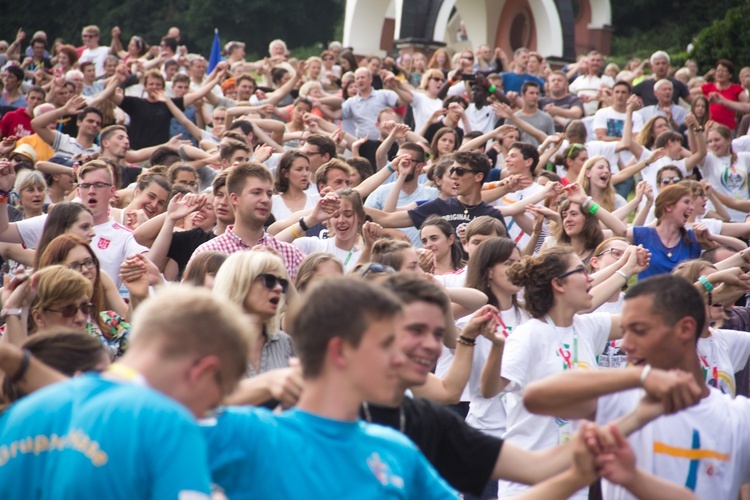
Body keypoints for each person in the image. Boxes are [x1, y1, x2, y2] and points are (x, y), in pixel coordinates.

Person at [200, 277, 459, 498]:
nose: (400, 359)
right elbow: (168, 416)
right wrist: (265, 383)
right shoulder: (253, 434)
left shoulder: (397, 450)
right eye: (385, 345)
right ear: (340, 351)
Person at [0, 286, 251, 498]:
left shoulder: (21, 415)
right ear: (204, 371)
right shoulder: (167, 423)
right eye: (214, 401)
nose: (204, 414)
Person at [521, 274, 750, 500]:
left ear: (685, 329)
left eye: (639, 331)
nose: (625, 345)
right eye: (625, 331)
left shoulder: (740, 417)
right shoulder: (621, 399)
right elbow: (536, 396)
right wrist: (639, 376)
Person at [484, 246, 642, 498]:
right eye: (581, 270)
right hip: (529, 483)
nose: (590, 276)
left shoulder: (588, 327)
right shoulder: (528, 335)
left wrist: (706, 284)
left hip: (573, 481)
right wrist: (496, 348)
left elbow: (649, 320)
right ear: (558, 284)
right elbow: (489, 389)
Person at [190, 162, 305, 281]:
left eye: (269, 194)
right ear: (234, 198)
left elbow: (309, 299)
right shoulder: (208, 252)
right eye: (256, 193)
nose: (265, 199)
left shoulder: (291, 253)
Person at [272, 150, 318, 220]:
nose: (305, 174)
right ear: (285, 173)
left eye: (307, 169)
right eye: (299, 169)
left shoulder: (316, 201)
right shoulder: (273, 202)